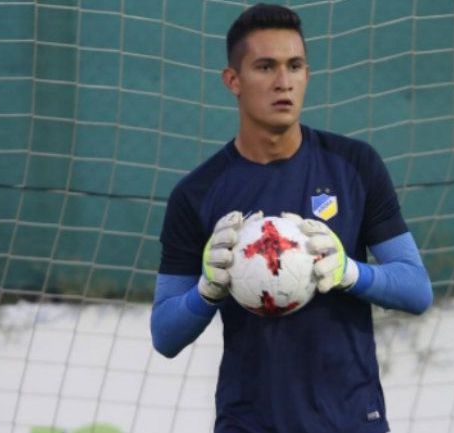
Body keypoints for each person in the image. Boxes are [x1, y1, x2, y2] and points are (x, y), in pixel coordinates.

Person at [150, 4, 433, 433]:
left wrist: (351, 273)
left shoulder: (354, 165)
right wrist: (206, 292)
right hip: (249, 422)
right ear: (233, 81)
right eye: (265, 67)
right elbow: (164, 336)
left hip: (351, 419)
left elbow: (417, 290)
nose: (284, 82)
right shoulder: (198, 193)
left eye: (295, 66)